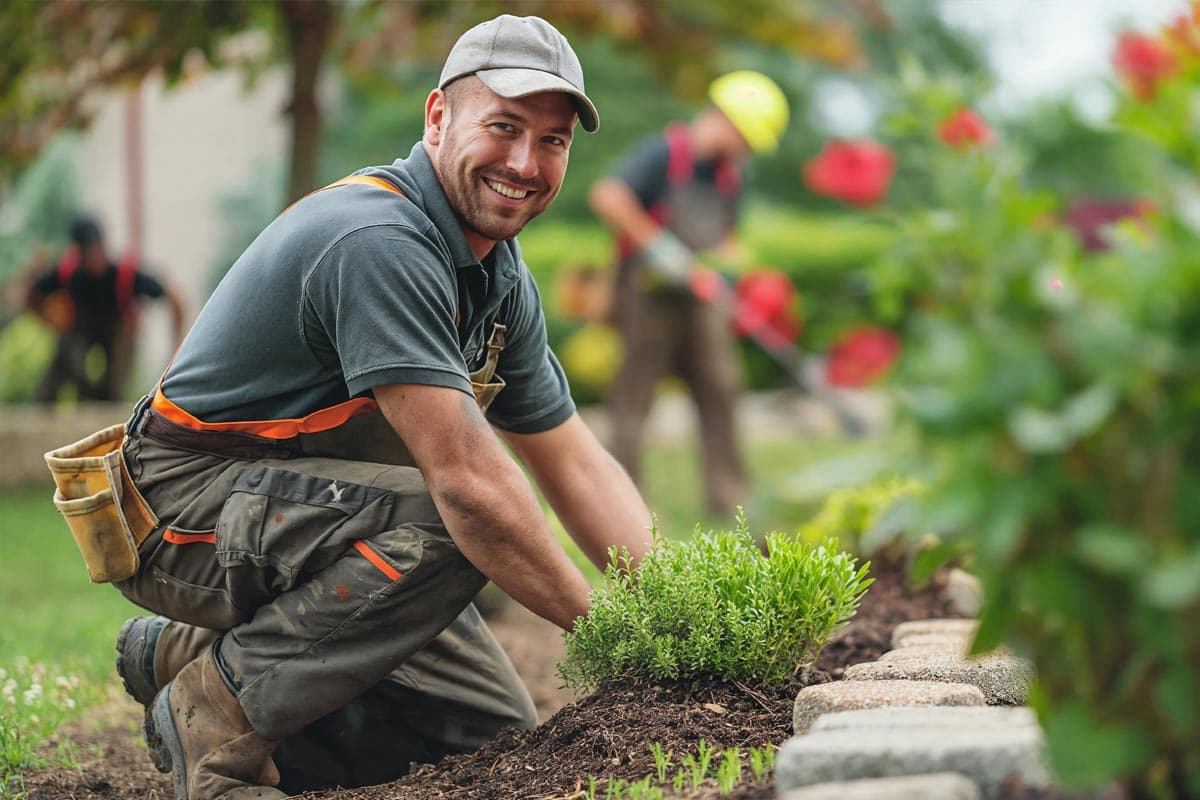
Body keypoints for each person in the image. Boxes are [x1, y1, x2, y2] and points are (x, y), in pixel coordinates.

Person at [99, 14, 653, 799]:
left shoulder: (495, 276)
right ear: (437, 117)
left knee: (488, 739)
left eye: (553, 141)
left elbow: (573, 459)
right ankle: (213, 717)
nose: (526, 162)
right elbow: (468, 487)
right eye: (504, 127)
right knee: (455, 524)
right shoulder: (377, 240)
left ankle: (187, 653)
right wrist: (616, 635)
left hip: (301, 519)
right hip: (180, 511)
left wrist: (670, 609)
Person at [588, 71, 789, 519]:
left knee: (721, 386)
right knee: (635, 396)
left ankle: (733, 501)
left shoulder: (730, 177)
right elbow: (608, 195)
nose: (746, 150)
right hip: (648, 294)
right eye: (747, 139)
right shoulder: (665, 154)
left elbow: (725, 241)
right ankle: (625, 503)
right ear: (726, 120)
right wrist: (659, 247)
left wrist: (731, 272)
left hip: (699, 299)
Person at [24, 215, 186, 403]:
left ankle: (108, 399)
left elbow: (174, 299)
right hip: (80, 334)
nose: (96, 256)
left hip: (116, 336)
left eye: (98, 247)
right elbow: (31, 295)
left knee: (115, 374)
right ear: (79, 253)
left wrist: (176, 346)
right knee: (68, 354)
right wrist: (49, 321)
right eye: (90, 250)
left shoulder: (125, 275)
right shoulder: (67, 274)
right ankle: (65, 399)